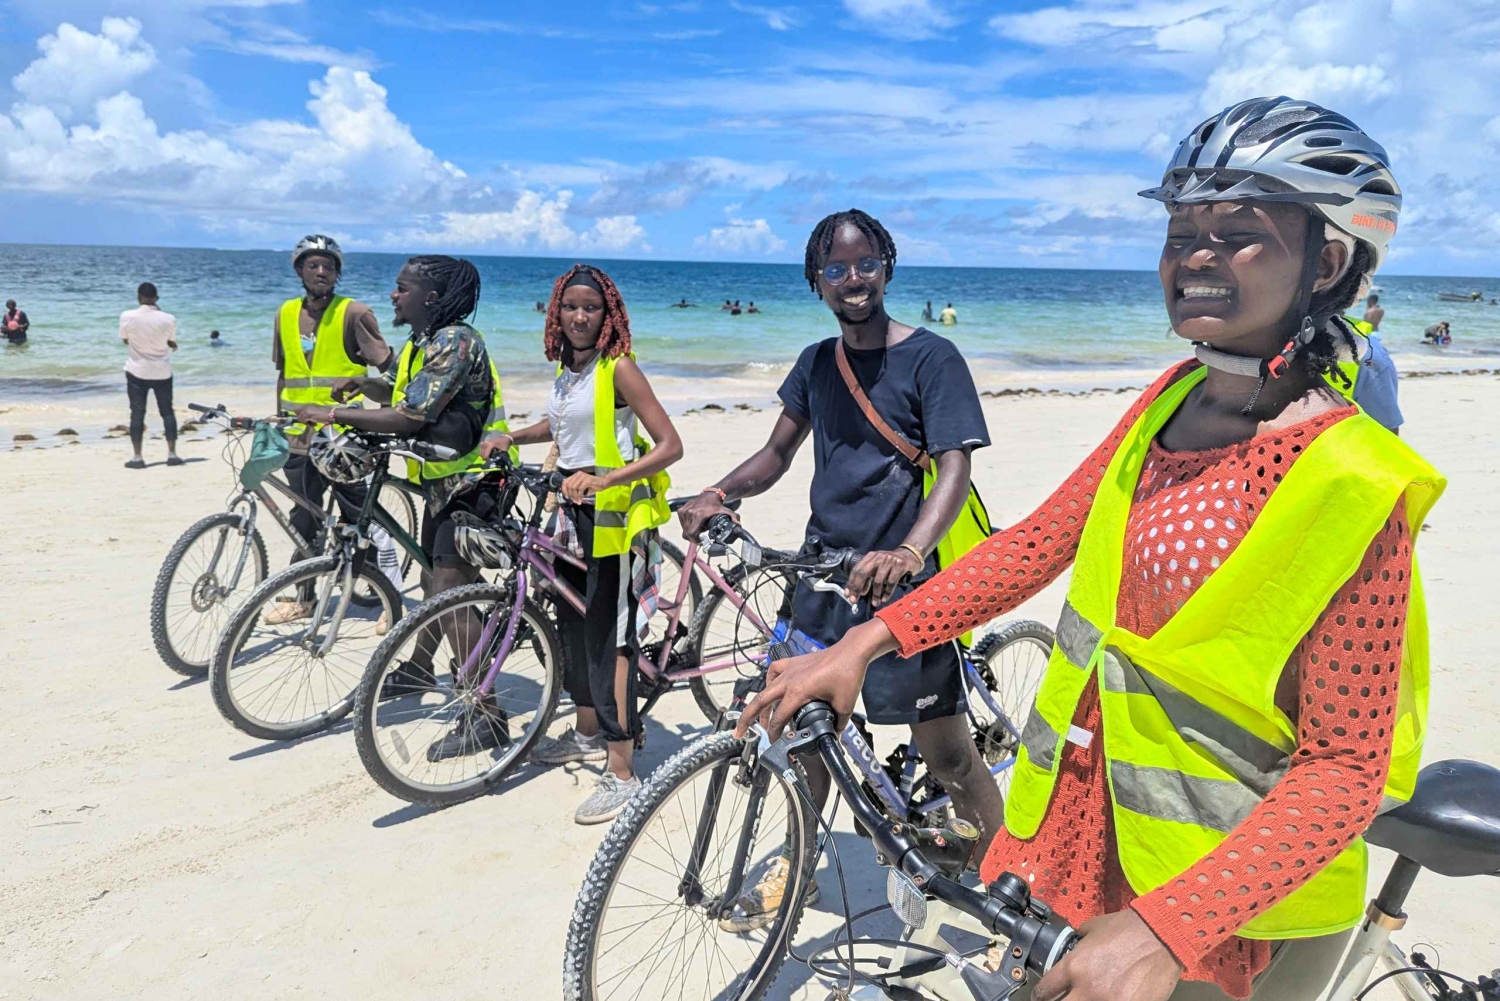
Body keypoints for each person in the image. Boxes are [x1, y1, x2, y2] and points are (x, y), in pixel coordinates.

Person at [737, 98, 1445, 1001]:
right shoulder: (1171, 399)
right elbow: (1037, 542)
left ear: (1330, 261)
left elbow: (1346, 768)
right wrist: (865, 642)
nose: (1194, 256)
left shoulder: (1355, 479)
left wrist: (1168, 929)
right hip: (1092, 845)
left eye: (1237, 235)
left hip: (1234, 907)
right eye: (1180, 233)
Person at [679, 209, 1002, 932]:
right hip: (821, 576)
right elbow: (776, 454)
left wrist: (909, 552)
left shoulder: (933, 359)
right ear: (815, 281)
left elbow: (954, 468)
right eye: (835, 268)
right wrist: (719, 492)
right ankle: (796, 871)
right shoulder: (816, 363)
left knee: (949, 756)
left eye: (865, 264)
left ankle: (1008, 887)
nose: (852, 279)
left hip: (905, 587)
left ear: (887, 267)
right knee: (803, 738)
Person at [483, 264, 682, 824]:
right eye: (570, 306)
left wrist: (605, 479)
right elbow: (563, 428)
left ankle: (622, 771)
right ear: (556, 312)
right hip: (570, 513)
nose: (579, 316)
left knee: (608, 639)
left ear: (608, 314)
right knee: (571, 623)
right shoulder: (569, 369)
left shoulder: (620, 369)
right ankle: (588, 732)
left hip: (613, 519)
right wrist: (512, 436)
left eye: (590, 308)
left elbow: (670, 445)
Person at [294, 255, 517, 753]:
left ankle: (487, 714)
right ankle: (419, 668)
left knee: (451, 591)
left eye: (402, 288)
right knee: (432, 580)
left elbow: (412, 414)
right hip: (442, 480)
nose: (393, 296)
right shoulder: (425, 342)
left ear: (430, 298)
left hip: (476, 480)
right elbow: (405, 389)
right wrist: (365, 384)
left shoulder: (456, 341)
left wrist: (332, 413)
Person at [265, 235, 393, 626]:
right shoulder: (285, 313)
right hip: (299, 436)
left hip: (343, 438)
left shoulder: (354, 313)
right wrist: (278, 421)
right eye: (312, 265)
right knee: (303, 518)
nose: (321, 272)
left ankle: (387, 597)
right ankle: (303, 598)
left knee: (360, 517)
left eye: (329, 266)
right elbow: (285, 374)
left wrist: (388, 418)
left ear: (337, 273)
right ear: (299, 270)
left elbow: (389, 370)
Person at [119, 282, 180, 469]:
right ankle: (172, 455)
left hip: (137, 371)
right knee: (167, 411)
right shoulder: (168, 318)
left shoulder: (127, 316)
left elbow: (125, 340)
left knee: (137, 413)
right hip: (162, 372)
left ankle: (137, 458)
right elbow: (170, 340)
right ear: (156, 298)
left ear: (138, 297)